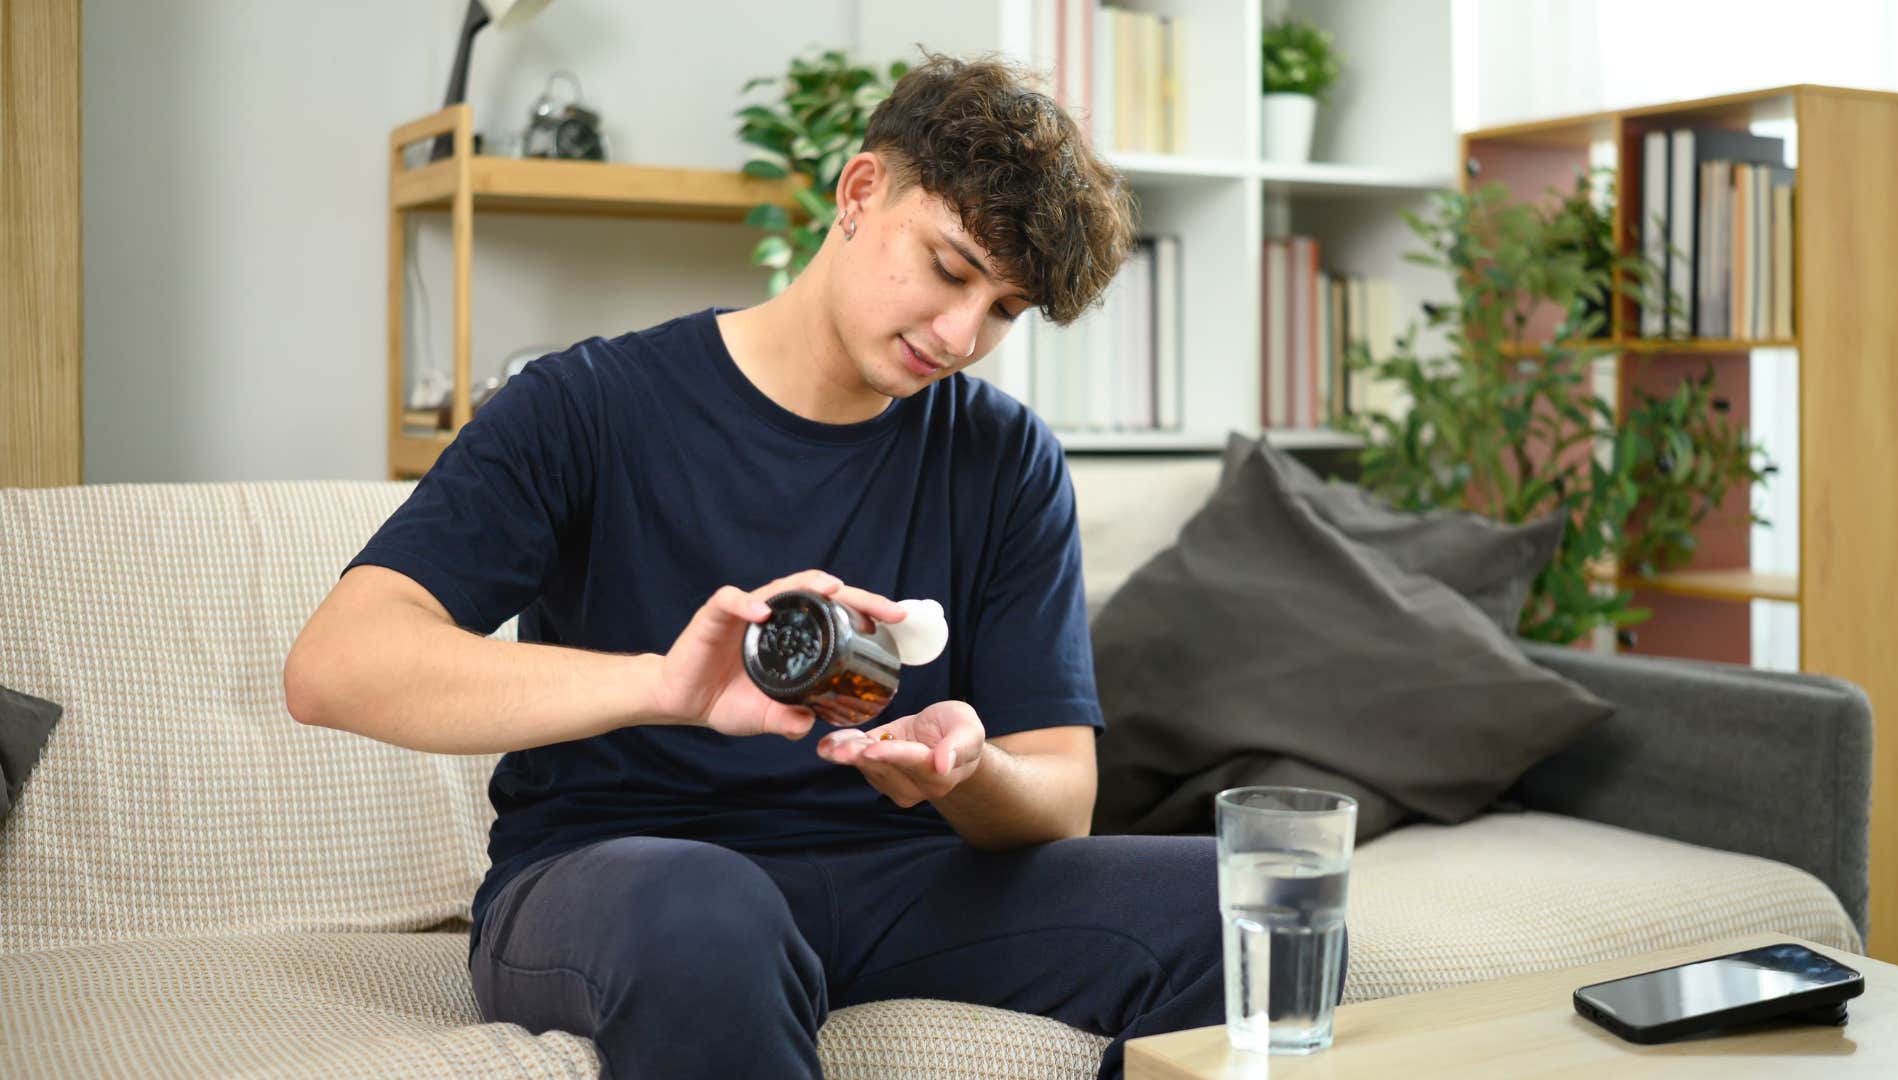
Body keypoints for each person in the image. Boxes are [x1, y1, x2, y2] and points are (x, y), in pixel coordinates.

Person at [287, 54, 1304, 1080]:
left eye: (1003, 310)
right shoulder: (587, 405)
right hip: (625, 878)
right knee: (712, 912)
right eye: (950, 268)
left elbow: (1060, 805)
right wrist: (660, 686)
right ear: (861, 193)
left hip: (898, 878)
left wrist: (964, 770)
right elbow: (337, 665)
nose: (961, 334)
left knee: (1258, 897)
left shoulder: (1005, 460)